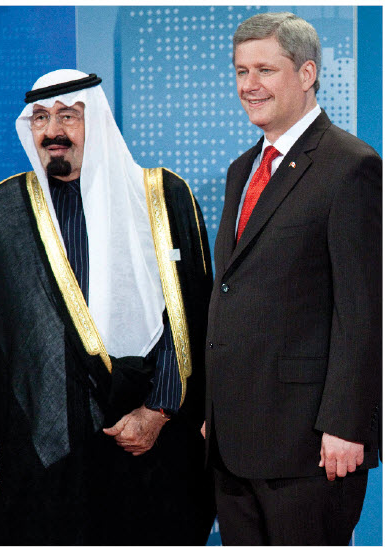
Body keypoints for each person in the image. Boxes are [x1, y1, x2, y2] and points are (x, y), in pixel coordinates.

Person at [0, 69, 214, 546]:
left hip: (143, 441)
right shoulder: (5, 206)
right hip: (41, 444)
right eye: (40, 117)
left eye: (68, 116)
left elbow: (194, 317)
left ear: (95, 119)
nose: (53, 131)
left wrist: (158, 411)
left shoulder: (161, 196)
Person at [205, 12, 381, 546]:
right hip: (234, 444)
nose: (248, 86)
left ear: (307, 74)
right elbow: (232, 291)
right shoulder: (242, 169)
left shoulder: (351, 165)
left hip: (309, 447)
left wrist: (348, 424)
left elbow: (364, 310)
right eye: (240, 71)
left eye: (264, 70)